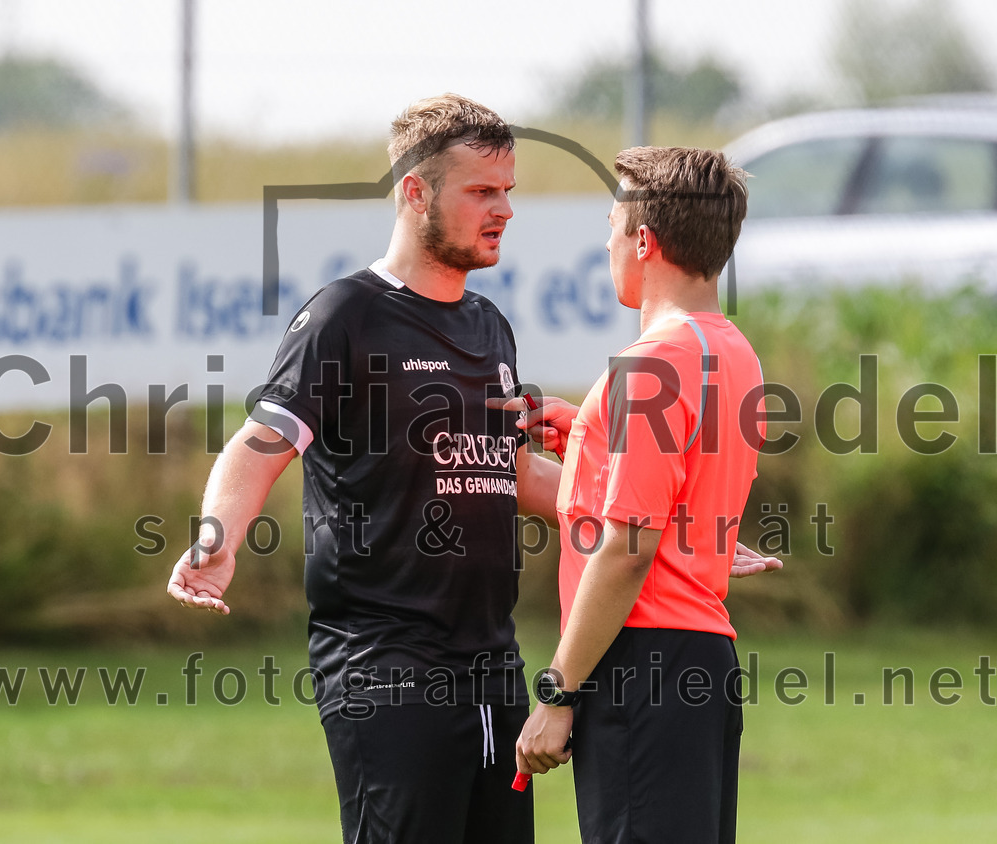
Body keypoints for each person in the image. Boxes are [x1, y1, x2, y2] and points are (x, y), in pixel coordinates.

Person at [167, 93, 560, 844]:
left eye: (508, 190)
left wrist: (660, 523)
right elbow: (260, 445)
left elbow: (519, 475)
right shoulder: (345, 315)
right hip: (387, 664)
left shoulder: (489, 325)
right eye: (482, 190)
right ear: (415, 191)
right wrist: (218, 537)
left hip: (492, 663)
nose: (503, 208)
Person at [510, 146, 771, 844]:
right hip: (702, 664)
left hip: (640, 667)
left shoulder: (650, 365)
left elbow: (627, 548)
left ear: (644, 241)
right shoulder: (733, 352)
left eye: (612, 225)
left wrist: (558, 691)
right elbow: (673, 491)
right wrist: (585, 436)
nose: (606, 242)